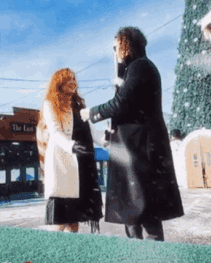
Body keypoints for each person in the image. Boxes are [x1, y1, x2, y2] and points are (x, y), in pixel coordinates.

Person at [80, 27, 184, 241]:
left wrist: (90, 113)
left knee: (144, 211)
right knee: (132, 212)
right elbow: (125, 107)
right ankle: (138, 261)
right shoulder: (136, 68)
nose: (115, 52)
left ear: (126, 44)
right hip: (133, 149)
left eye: (116, 46)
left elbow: (120, 104)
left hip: (140, 151)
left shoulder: (140, 67)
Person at [37, 68, 103, 233]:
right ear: (59, 83)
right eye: (68, 79)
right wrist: (71, 145)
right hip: (62, 164)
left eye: (74, 79)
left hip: (82, 166)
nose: (73, 82)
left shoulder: (80, 104)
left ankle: (71, 253)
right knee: (60, 221)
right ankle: (55, 255)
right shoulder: (50, 103)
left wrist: (109, 139)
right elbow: (55, 131)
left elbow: (93, 132)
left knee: (74, 221)